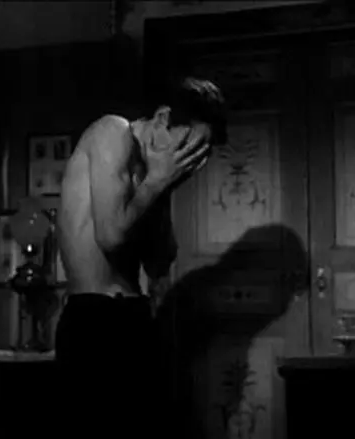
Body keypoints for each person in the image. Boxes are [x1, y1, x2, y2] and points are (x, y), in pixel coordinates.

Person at [53, 77, 226, 438]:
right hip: (94, 321)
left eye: (198, 155)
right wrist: (156, 183)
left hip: (134, 317)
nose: (187, 161)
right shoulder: (112, 132)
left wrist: (164, 188)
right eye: (187, 146)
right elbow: (110, 236)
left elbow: (160, 262)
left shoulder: (153, 176)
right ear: (162, 119)